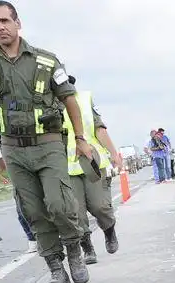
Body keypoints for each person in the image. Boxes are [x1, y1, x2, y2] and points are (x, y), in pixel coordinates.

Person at [0, 1, 95, 283]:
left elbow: (69, 99)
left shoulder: (46, 61)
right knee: (32, 210)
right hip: (13, 148)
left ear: (17, 23)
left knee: (59, 204)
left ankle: (75, 251)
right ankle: (55, 267)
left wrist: (81, 139)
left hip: (48, 144)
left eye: (3, 21)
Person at [61, 76, 121, 264]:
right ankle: (87, 247)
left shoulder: (84, 100)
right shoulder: (49, 105)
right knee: (76, 212)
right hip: (67, 167)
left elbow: (99, 129)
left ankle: (109, 230)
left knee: (99, 205)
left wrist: (114, 154)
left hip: (92, 162)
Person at [0, 135, 37, 252]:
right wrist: (0, 152)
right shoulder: (4, 141)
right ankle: (32, 239)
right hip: (19, 178)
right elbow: (2, 167)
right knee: (22, 210)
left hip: (37, 171)